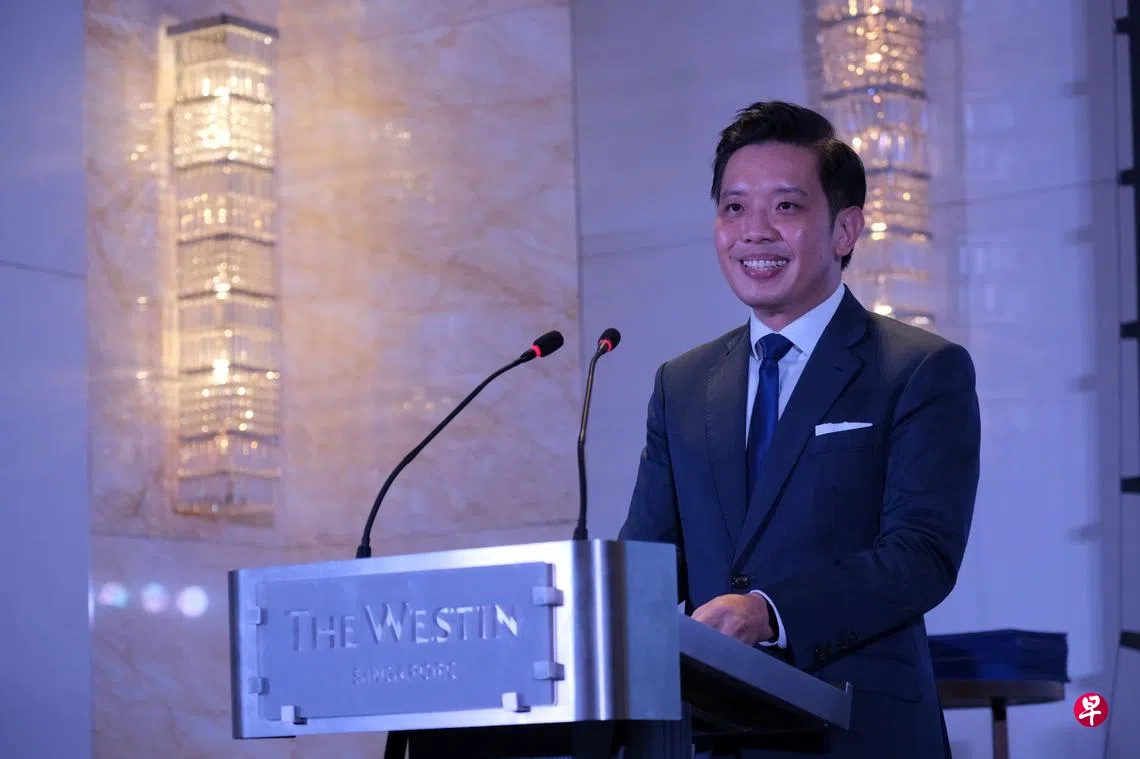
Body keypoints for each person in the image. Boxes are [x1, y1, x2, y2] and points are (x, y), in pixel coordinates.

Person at [618, 101, 980, 758]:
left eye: (785, 207)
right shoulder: (682, 384)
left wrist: (768, 611)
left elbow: (921, 556)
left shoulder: (920, 369)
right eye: (734, 208)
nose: (753, 232)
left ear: (844, 229)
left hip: (857, 729)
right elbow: (645, 568)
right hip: (710, 737)